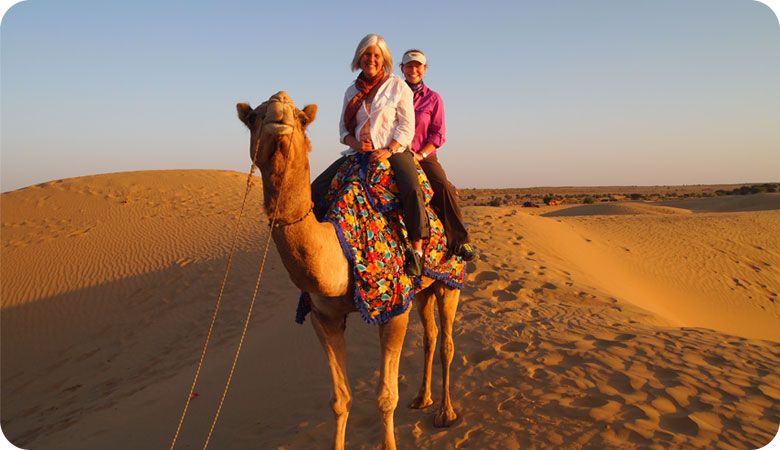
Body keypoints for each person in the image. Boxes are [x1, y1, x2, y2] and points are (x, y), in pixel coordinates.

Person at [311, 34, 428, 276]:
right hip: (357, 152)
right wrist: (355, 143)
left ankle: (416, 251)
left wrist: (389, 149)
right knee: (316, 189)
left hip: (393, 150)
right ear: (359, 57)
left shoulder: (398, 86)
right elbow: (343, 130)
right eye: (367, 54)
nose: (371, 59)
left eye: (376, 55)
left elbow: (407, 126)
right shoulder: (351, 90)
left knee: (411, 188)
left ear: (384, 59)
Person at [399, 49, 476, 261]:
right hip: (396, 153)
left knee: (443, 187)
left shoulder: (433, 99)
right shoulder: (393, 95)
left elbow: (438, 134)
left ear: (424, 69)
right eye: (409, 66)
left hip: (424, 155)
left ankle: (460, 241)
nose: (413, 70)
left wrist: (420, 155)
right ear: (402, 69)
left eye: (418, 66)